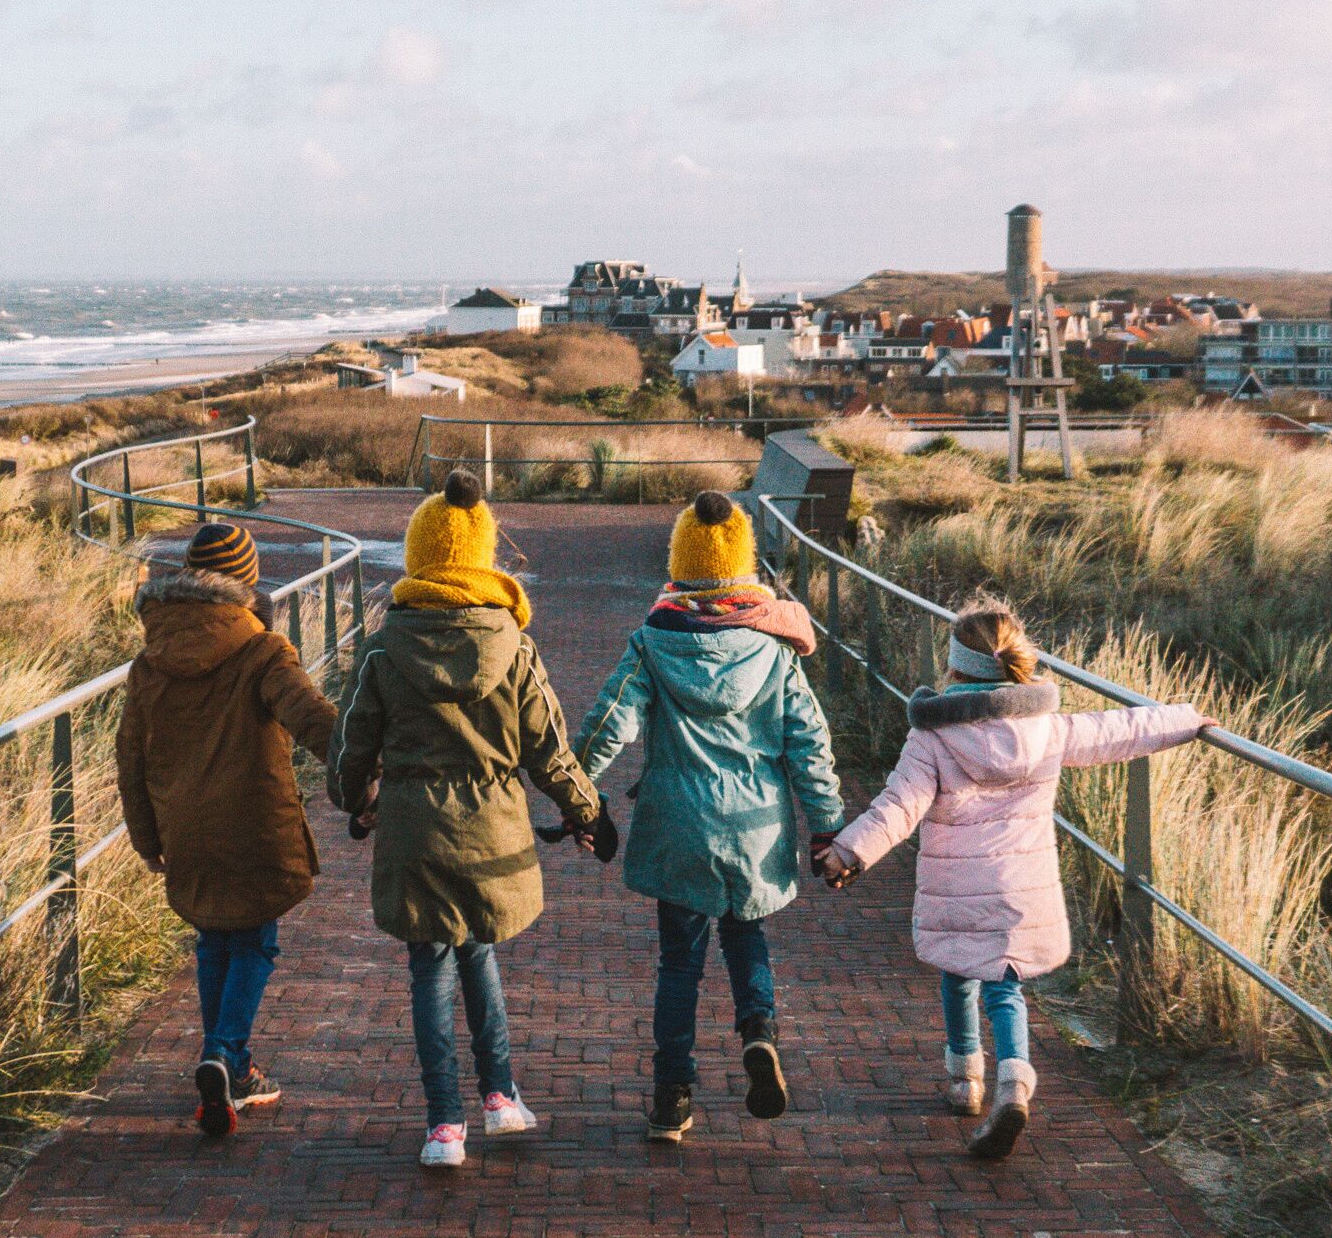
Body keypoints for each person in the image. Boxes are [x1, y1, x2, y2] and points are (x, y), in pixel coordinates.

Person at [813, 597, 1207, 1161]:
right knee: (1007, 985)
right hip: (1023, 882)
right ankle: (1015, 1084)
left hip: (958, 887)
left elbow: (897, 807)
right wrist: (1187, 720)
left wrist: (849, 852)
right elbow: (1120, 729)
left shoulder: (933, 737)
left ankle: (964, 1080)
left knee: (958, 971)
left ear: (954, 669)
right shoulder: (1048, 728)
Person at [328, 472, 611, 1169]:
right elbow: (549, 747)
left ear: (419, 556)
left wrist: (355, 801)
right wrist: (587, 812)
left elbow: (350, 744)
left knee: (429, 967)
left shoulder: (384, 646)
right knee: (479, 952)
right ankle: (500, 1096)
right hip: (491, 827)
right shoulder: (513, 645)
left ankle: (442, 1126)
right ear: (483, 556)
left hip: (412, 828)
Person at [575, 489, 843, 1144]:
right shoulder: (774, 645)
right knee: (747, 937)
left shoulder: (652, 642)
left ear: (681, 563)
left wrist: (577, 792)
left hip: (679, 825)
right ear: (742, 562)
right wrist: (828, 823)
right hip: (756, 827)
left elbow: (611, 723)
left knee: (680, 965)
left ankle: (673, 1098)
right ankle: (758, 1030)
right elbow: (808, 739)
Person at [112, 515, 340, 1137]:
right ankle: (224, 1054)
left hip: (183, 825)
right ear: (246, 582)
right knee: (256, 941)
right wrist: (361, 770)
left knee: (214, 940)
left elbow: (128, 756)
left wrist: (146, 837)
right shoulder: (261, 649)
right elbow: (311, 718)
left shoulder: (148, 662)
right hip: (254, 823)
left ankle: (231, 1069)